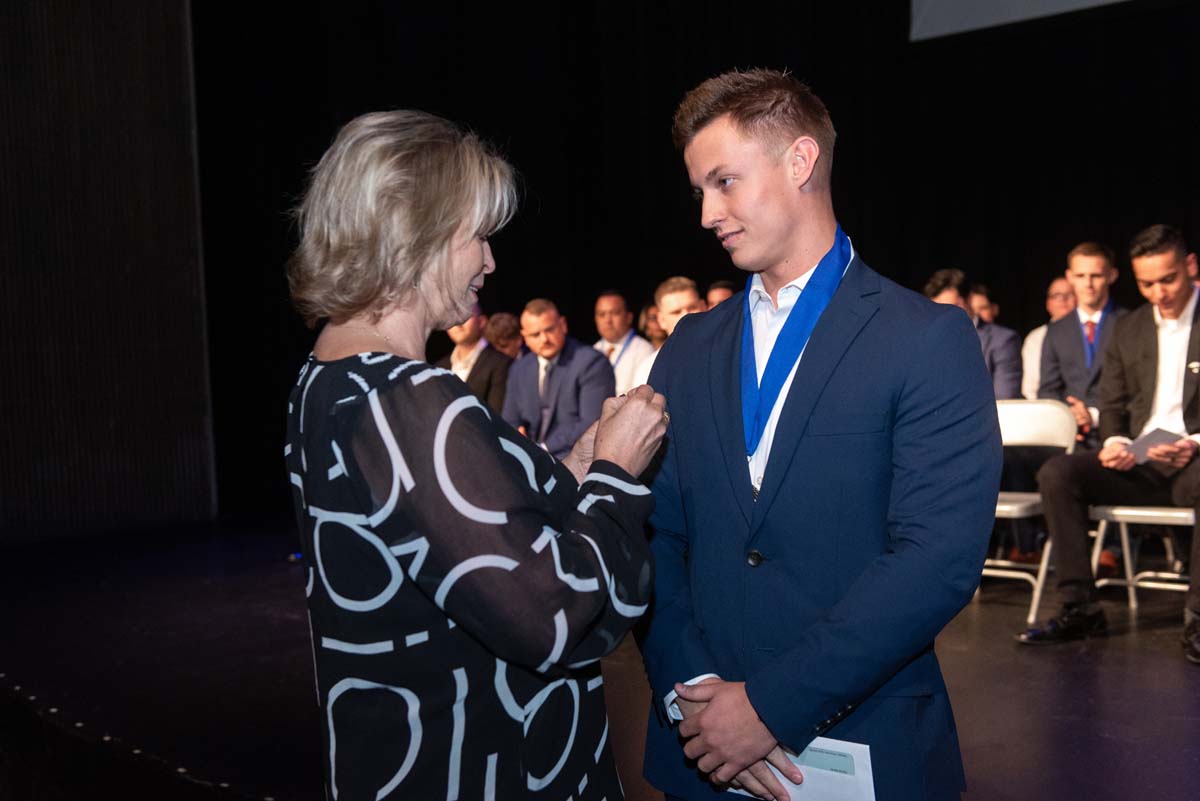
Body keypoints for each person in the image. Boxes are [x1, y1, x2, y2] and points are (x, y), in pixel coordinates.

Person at [283, 109, 668, 801]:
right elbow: (551, 618)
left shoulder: (328, 379)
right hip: (488, 766)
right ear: (412, 227)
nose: (491, 260)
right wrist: (615, 476)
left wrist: (573, 467)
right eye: (479, 235)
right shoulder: (409, 397)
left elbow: (458, 538)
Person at [640, 69, 1001, 801]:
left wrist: (770, 705)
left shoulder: (927, 338)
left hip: (860, 740)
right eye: (698, 191)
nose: (708, 213)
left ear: (800, 161)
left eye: (724, 181)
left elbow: (936, 559)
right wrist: (699, 692)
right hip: (699, 749)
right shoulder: (689, 346)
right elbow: (655, 537)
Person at [1020, 224, 1200, 665]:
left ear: (1189, 266)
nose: (1159, 292)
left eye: (1168, 279)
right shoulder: (1131, 327)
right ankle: (1079, 606)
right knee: (1059, 473)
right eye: (1147, 283)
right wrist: (1116, 442)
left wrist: (1194, 442)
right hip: (1141, 461)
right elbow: (1115, 405)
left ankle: (1197, 617)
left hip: (1194, 462)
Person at [503, 298, 615, 459]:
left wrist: (542, 448)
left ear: (563, 325)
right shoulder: (519, 368)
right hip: (529, 461)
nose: (544, 339)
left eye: (549, 330)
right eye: (535, 334)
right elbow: (510, 421)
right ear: (524, 337)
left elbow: (593, 423)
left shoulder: (592, 363)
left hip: (576, 460)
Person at [1039, 242, 1125, 445]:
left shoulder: (1129, 324)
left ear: (1112, 275)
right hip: (1070, 435)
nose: (1088, 284)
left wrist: (1092, 415)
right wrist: (1071, 417)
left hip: (1117, 436)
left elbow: (1135, 389)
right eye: (1080, 276)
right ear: (1069, 277)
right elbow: (1047, 390)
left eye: (1096, 275)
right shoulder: (1056, 330)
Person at [925, 268, 1023, 399]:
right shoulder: (925, 343)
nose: (942, 316)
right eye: (936, 310)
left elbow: (1004, 401)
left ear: (969, 299)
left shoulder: (1002, 341)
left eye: (950, 307)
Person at [435, 302, 512, 412]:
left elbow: (497, 414)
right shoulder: (439, 367)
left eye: (465, 316)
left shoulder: (501, 363)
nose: (458, 323)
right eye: (452, 317)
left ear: (481, 322)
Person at [632, 276, 708, 386]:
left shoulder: (728, 353)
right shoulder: (648, 369)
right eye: (676, 312)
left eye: (692, 308)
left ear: (704, 307)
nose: (686, 316)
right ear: (661, 320)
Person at [1021, 277, 1076, 400]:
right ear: (1048, 304)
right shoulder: (1036, 337)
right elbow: (1030, 388)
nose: (1063, 299)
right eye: (1057, 295)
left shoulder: (1090, 332)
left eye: (1070, 294)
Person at [594, 289, 656, 394]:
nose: (607, 320)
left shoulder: (644, 350)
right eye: (601, 314)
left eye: (615, 313)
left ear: (629, 317)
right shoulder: (594, 350)